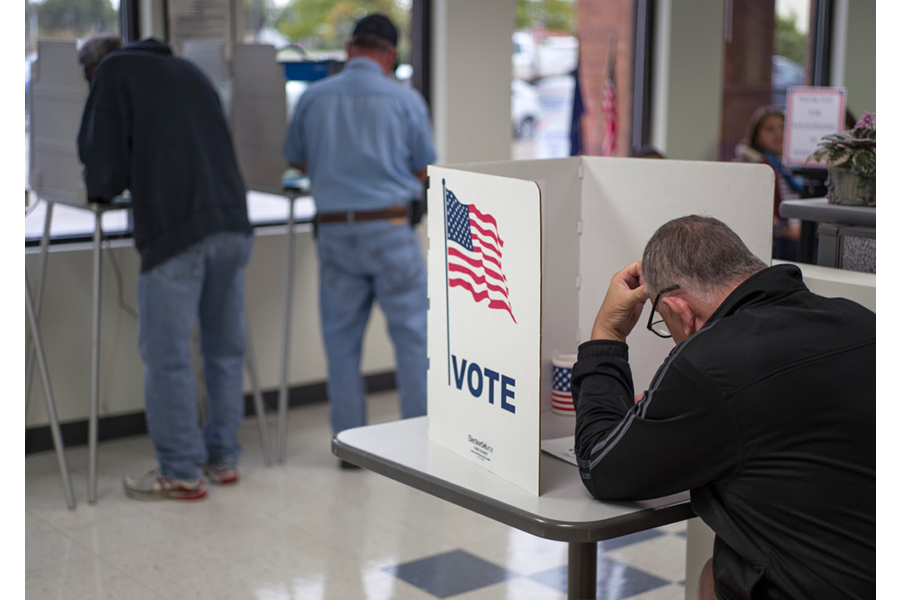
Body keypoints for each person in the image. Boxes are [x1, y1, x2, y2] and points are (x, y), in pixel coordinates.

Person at [572, 215, 875, 598]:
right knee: (713, 574)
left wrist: (608, 334)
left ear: (680, 310)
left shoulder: (710, 361)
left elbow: (600, 467)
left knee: (720, 578)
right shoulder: (859, 320)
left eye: (666, 325)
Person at [77, 36, 254, 500]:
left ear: (91, 72)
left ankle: (180, 470)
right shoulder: (189, 71)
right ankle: (223, 458)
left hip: (176, 230)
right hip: (232, 224)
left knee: (168, 356)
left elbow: (102, 167)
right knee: (224, 350)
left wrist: (101, 186)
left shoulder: (112, 73)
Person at [282, 14, 436, 458]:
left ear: (350, 50)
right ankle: (419, 444)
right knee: (412, 341)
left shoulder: (313, 98)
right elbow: (423, 167)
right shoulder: (405, 100)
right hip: (391, 230)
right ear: (389, 56)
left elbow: (298, 161)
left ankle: (348, 446)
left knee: (341, 343)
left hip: (335, 234)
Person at [733, 106, 804, 260]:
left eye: (782, 127)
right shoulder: (754, 166)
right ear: (757, 137)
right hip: (780, 237)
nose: (778, 133)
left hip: (799, 231)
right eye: (770, 129)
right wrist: (787, 230)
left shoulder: (794, 165)